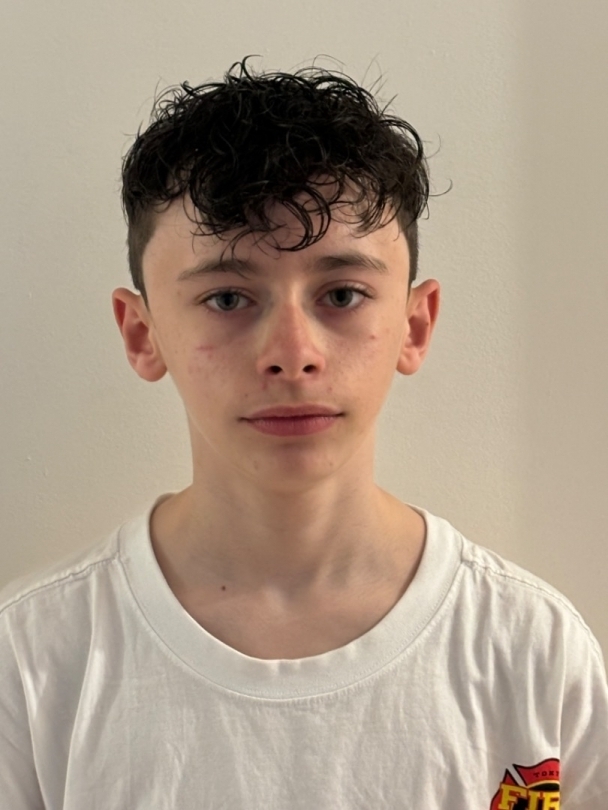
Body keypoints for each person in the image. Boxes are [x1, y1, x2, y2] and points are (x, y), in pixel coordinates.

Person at [1, 56, 607, 809]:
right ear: (141, 333)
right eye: (228, 298)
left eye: (342, 294)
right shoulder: (33, 662)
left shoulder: (533, 653)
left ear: (415, 324)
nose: (293, 354)